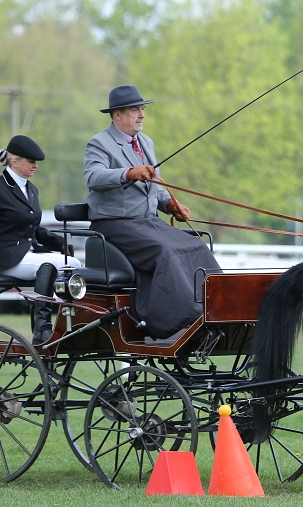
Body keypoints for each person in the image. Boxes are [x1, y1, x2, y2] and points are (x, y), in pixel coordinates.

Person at [83, 84, 220, 340]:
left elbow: (155, 186)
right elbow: (93, 177)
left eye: (142, 109)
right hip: (115, 224)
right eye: (136, 110)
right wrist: (128, 173)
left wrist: (170, 205)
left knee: (196, 245)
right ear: (117, 115)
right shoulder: (99, 143)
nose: (142, 115)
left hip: (147, 222)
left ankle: (215, 311)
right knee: (165, 251)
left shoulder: (145, 142)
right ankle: (178, 323)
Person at [0, 135, 81, 344]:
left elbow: (34, 228)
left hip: (27, 253)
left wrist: (59, 244)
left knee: (73, 263)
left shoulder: (31, 189)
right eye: (31, 162)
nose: (36, 166)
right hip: (3, 257)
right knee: (51, 265)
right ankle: (42, 328)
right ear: (14, 161)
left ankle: (66, 323)